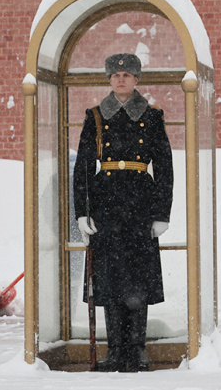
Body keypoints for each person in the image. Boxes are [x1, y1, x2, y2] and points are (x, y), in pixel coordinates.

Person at [73, 53, 173, 372]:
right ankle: (115, 350)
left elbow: (166, 168)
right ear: (108, 79)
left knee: (138, 279)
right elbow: (84, 168)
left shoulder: (153, 116)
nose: (121, 79)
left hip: (141, 203)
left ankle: (137, 350)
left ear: (137, 79)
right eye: (115, 75)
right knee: (110, 279)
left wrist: (162, 213)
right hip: (106, 204)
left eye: (127, 75)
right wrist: (82, 212)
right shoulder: (96, 117)